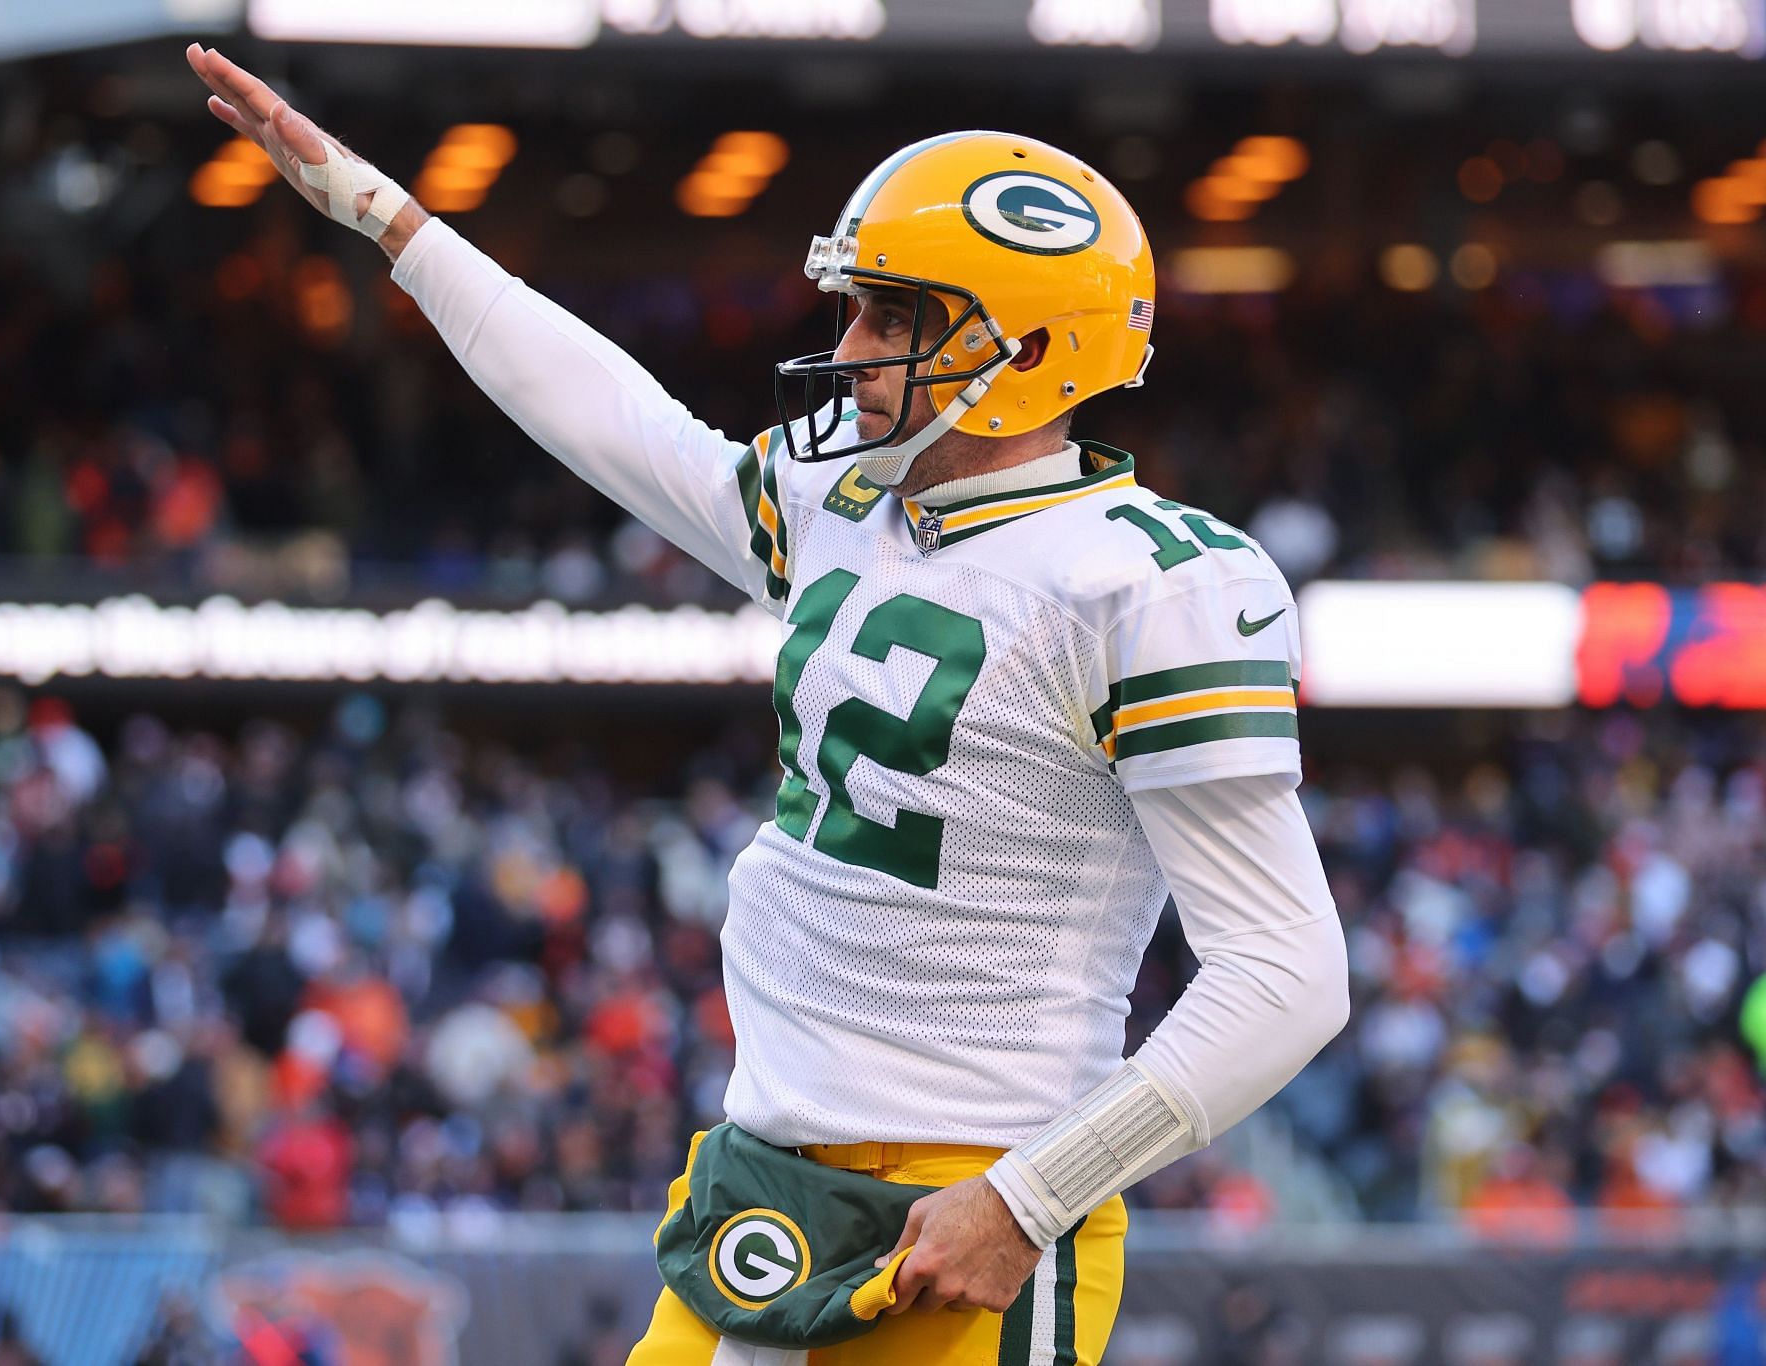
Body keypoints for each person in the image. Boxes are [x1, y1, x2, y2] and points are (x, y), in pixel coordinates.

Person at [186, 45, 1350, 1365]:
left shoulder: (1153, 582)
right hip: (764, 1173)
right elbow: (623, 427)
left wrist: (1032, 1195)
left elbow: (1286, 974)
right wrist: (399, 229)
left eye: (895, 316)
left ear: (1024, 349)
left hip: (968, 1194)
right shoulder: (845, 504)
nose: (849, 349)